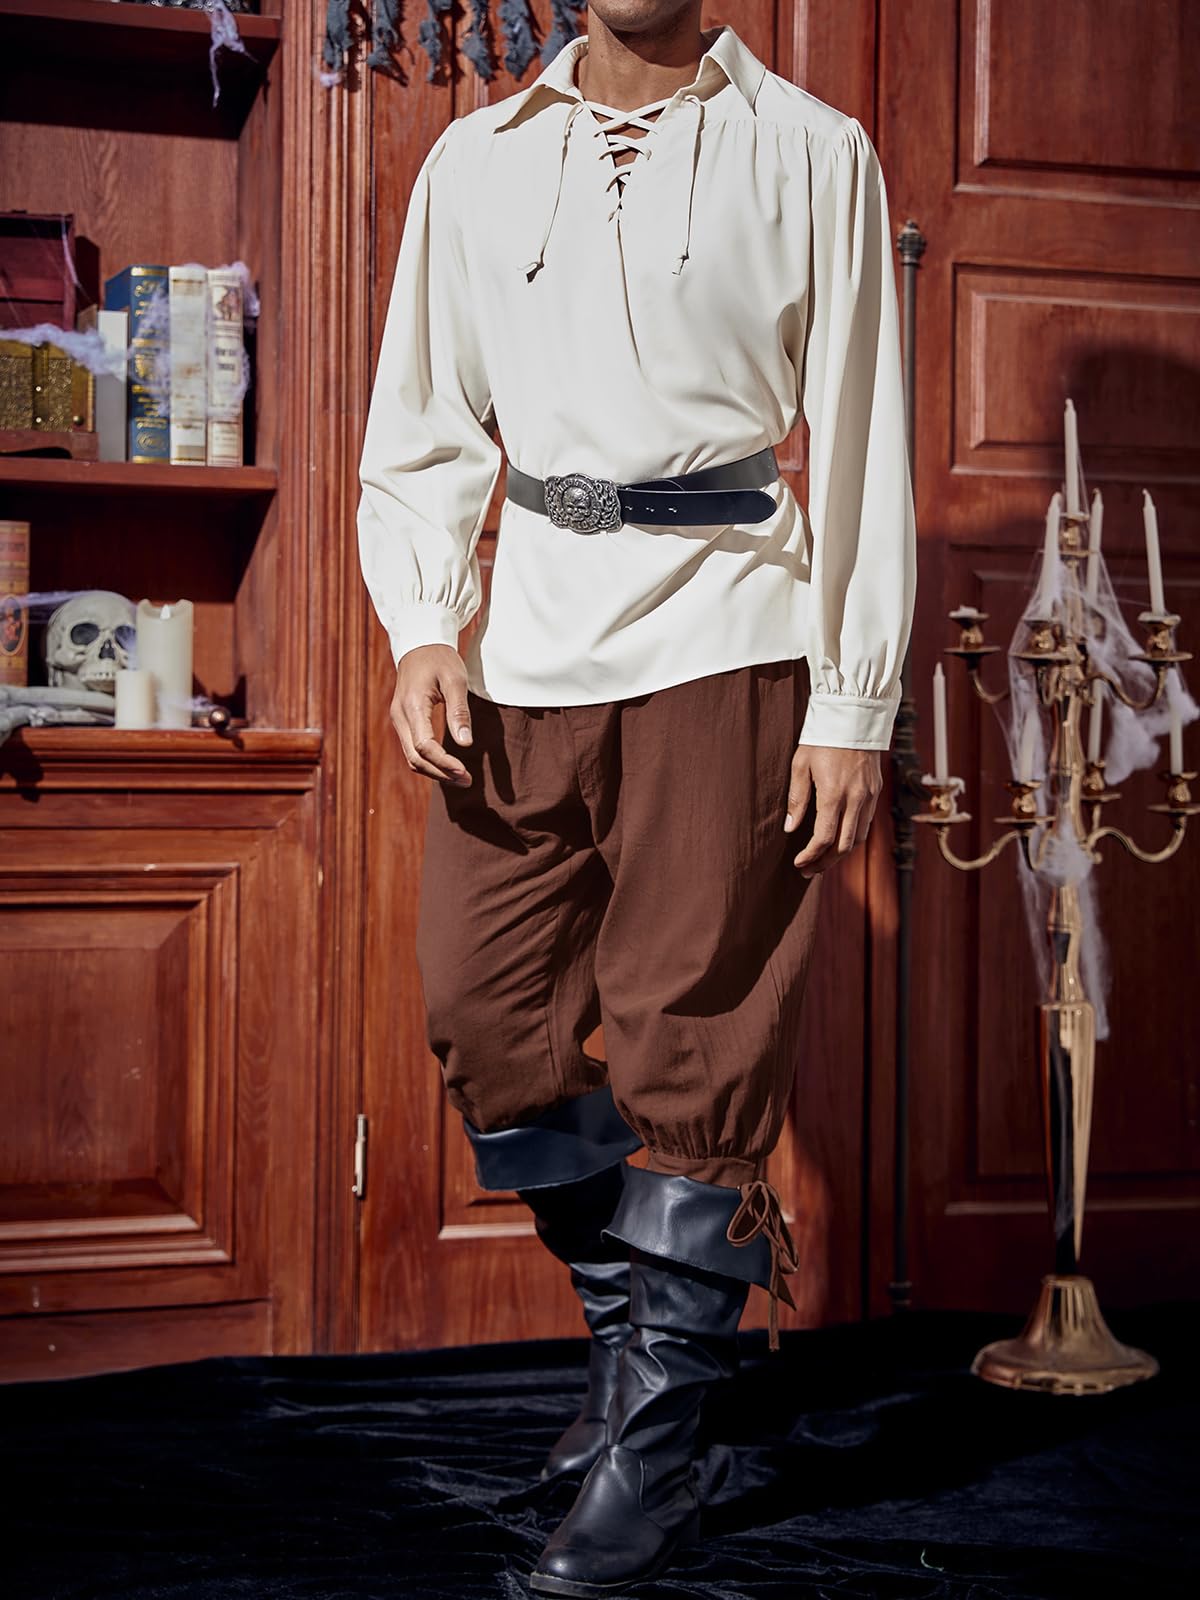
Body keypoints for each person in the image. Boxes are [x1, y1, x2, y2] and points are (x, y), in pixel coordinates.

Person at [356, 3, 916, 1593]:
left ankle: (657, 1452)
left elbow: (859, 436)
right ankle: (632, 1354)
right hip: (524, 641)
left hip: (733, 634)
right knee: (486, 1016)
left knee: (692, 1036)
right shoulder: (474, 161)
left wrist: (852, 702)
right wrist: (424, 627)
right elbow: (422, 426)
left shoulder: (813, 153)